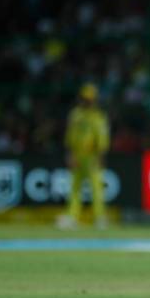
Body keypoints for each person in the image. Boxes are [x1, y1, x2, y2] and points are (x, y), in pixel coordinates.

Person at [58, 83, 110, 229]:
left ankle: (99, 218)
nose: (87, 101)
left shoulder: (98, 116)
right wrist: (70, 154)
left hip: (92, 155)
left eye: (90, 99)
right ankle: (72, 216)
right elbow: (70, 135)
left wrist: (101, 155)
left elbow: (102, 137)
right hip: (77, 154)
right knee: (75, 188)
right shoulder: (76, 115)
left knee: (96, 188)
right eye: (85, 99)